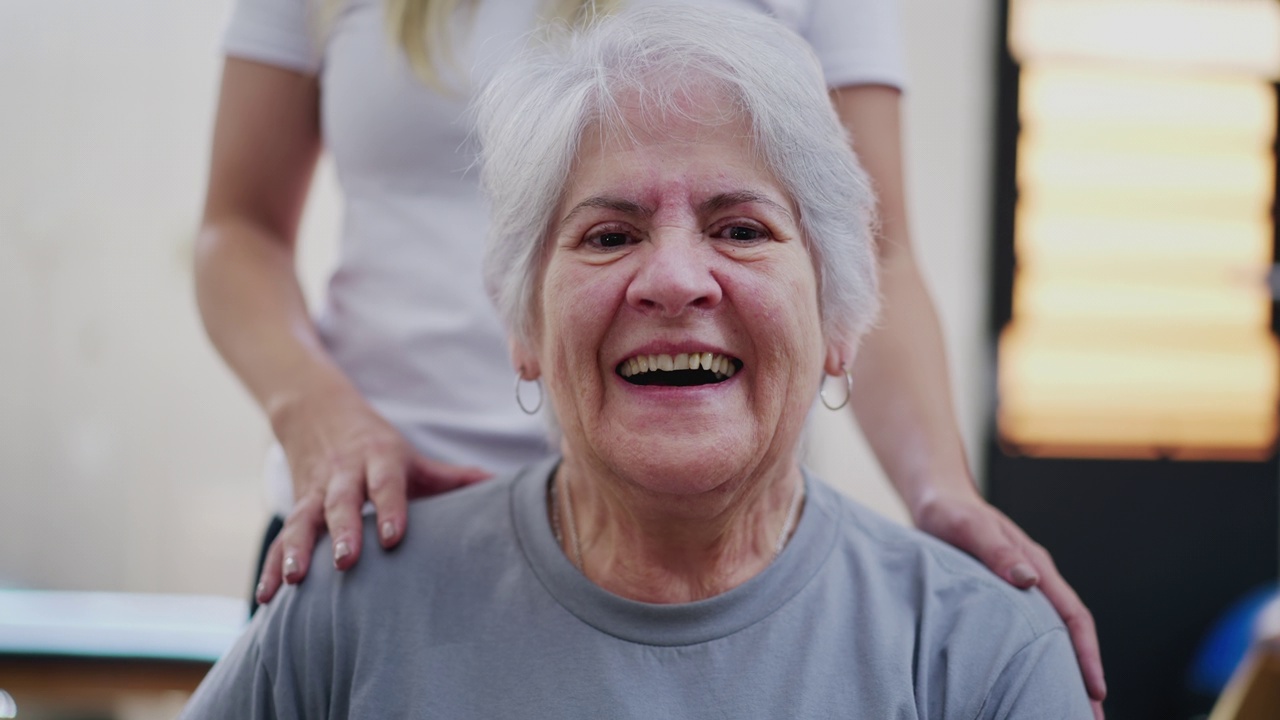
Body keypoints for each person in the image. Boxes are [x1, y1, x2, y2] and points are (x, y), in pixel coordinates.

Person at [180, 9, 1093, 715]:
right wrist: (321, 416)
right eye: (611, 235)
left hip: (759, 577)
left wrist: (939, 493)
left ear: (835, 323)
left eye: (738, 230)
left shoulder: (975, 655)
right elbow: (237, 227)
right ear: (522, 329)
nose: (673, 280)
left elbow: (873, 247)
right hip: (378, 524)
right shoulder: (339, 619)